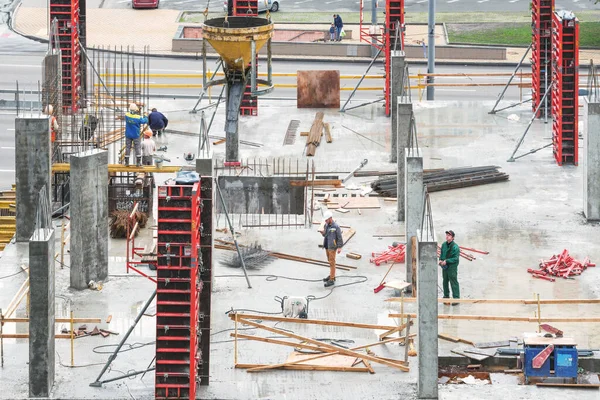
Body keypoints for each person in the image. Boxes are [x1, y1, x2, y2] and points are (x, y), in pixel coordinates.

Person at [319, 210, 343, 287]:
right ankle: (331, 275)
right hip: (327, 245)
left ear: (330, 218)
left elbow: (339, 237)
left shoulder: (336, 227)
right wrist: (322, 233)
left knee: (332, 262)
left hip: (332, 247)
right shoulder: (326, 225)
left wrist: (339, 247)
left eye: (326, 220)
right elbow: (325, 234)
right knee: (330, 261)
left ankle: (332, 279)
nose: (325, 221)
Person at [439, 230, 460, 305]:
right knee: (445, 281)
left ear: (453, 237)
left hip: (452, 267)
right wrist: (440, 260)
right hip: (445, 266)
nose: (447, 236)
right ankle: (446, 296)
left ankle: (456, 298)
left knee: (453, 282)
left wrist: (447, 261)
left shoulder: (455, 247)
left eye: (449, 235)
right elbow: (441, 254)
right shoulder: (444, 245)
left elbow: (455, 258)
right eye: (446, 235)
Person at [124, 103, 148, 167]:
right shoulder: (138, 117)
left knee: (127, 147)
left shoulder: (127, 115)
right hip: (136, 135)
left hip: (128, 134)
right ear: (135, 110)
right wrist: (145, 115)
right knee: (137, 148)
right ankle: (138, 163)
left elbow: (131, 115)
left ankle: (126, 163)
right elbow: (145, 121)